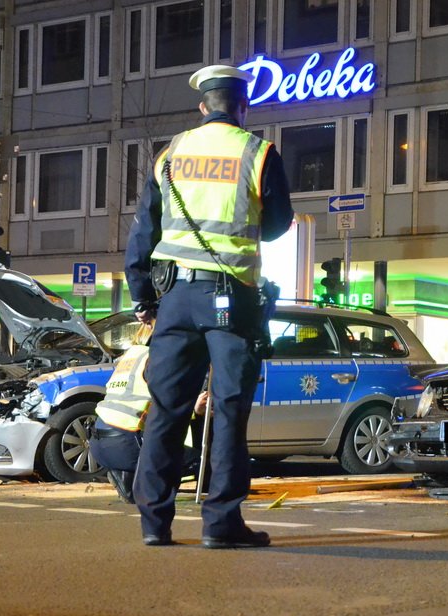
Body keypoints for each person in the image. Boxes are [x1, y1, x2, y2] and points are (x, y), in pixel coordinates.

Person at [124, 63, 294, 548]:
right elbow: (279, 223)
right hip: (232, 298)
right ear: (242, 106)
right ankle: (221, 524)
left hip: (175, 298)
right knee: (228, 409)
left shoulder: (170, 153)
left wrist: (143, 300)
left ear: (203, 106)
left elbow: (143, 233)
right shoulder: (258, 153)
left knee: (166, 410)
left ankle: (154, 524)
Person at [89, 323, 207, 504]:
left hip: (100, 440)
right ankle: (153, 489)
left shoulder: (131, 355)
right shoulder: (157, 359)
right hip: (127, 442)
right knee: (195, 458)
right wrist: (195, 409)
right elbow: (169, 405)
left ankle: (128, 479)